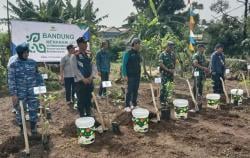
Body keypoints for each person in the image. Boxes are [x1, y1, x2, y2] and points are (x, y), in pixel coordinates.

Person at [8, 43, 44, 135]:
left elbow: (38, 76)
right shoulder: (13, 65)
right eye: (25, 52)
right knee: (20, 110)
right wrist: (14, 94)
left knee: (33, 109)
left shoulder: (32, 62)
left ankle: (33, 128)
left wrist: (41, 88)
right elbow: (11, 80)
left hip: (32, 91)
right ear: (20, 53)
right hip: (20, 93)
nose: (27, 54)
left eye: (28, 52)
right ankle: (22, 128)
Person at [71, 37, 94, 117]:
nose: (86, 44)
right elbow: (75, 69)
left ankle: (89, 115)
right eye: (84, 43)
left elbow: (93, 67)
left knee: (88, 99)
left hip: (90, 82)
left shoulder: (89, 55)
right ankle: (82, 116)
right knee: (81, 100)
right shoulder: (75, 56)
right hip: (80, 82)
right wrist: (83, 79)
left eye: (86, 43)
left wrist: (91, 77)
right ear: (80, 44)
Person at [122, 38, 141, 112]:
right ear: (135, 44)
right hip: (130, 75)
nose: (139, 45)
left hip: (137, 75)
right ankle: (127, 105)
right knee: (129, 90)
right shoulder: (128, 53)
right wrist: (125, 75)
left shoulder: (138, 53)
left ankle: (134, 104)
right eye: (138, 43)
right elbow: (124, 65)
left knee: (135, 90)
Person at [192, 44, 209, 110]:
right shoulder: (196, 55)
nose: (203, 49)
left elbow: (204, 64)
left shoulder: (203, 56)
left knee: (201, 87)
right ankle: (195, 100)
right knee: (196, 86)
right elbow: (195, 64)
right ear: (199, 48)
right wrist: (203, 68)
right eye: (202, 48)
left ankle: (199, 100)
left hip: (202, 74)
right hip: (197, 73)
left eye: (204, 48)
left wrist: (206, 70)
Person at [159, 41, 176, 107]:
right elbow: (161, 64)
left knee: (170, 87)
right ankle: (162, 101)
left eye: (172, 46)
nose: (172, 48)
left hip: (171, 74)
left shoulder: (173, 54)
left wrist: (173, 69)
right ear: (167, 46)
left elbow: (174, 62)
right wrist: (168, 70)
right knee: (164, 87)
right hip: (164, 74)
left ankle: (168, 100)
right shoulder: (162, 54)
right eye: (170, 46)